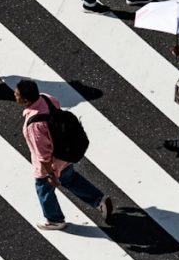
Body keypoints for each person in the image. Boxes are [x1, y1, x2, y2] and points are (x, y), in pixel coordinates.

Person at [14, 79, 113, 230]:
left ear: (25, 100)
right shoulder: (46, 98)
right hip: (64, 152)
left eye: (17, 94)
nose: (15, 95)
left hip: (51, 163)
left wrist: (50, 175)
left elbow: (43, 155)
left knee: (43, 188)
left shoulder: (35, 125)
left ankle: (54, 219)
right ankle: (99, 200)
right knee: (70, 178)